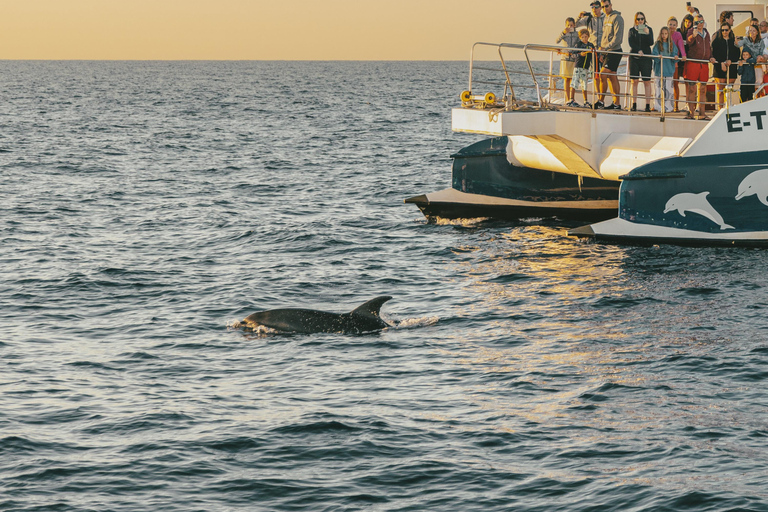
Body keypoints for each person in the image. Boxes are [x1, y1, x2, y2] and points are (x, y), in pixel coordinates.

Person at [595, 0, 624, 109]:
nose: (605, 8)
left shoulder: (617, 18)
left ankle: (601, 102)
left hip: (614, 51)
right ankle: (616, 104)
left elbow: (618, 38)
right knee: (612, 76)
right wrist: (603, 52)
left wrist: (605, 48)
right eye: (603, 7)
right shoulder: (606, 18)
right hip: (607, 52)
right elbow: (604, 36)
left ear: (611, 5)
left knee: (603, 74)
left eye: (606, 6)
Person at [685, 14, 712, 119]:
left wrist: (711, 56)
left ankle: (702, 113)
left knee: (703, 89)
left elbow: (709, 47)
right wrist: (693, 36)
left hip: (704, 63)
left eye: (701, 22)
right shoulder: (691, 31)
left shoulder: (707, 33)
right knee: (692, 88)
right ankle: (691, 113)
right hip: (693, 62)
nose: (699, 24)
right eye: (697, 22)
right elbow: (688, 42)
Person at [628, 12, 654, 111]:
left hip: (646, 58)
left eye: (642, 19)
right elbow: (631, 42)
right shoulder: (632, 30)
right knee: (634, 81)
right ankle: (633, 104)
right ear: (635, 20)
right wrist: (638, 50)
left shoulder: (649, 29)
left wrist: (647, 33)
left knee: (647, 81)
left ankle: (647, 105)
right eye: (638, 19)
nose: (640, 21)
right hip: (635, 58)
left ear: (644, 19)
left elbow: (651, 42)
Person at [711, 23, 740, 109]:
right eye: (722, 30)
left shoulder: (733, 42)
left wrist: (731, 60)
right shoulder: (716, 41)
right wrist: (721, 62)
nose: (724, 32)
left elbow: (737, 54)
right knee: (720, 91)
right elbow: (714, 54)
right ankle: (720, 109)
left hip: (731, 68)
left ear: (730, 30)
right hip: (719, 68)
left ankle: (728, 109)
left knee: (729, 91)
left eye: (726, 30)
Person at [652, 26, 679, 112]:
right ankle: (658, 106)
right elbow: (654, 54)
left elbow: (675, 54)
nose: (664, 35)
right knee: (658, 89)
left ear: (668, 34)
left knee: (668, 90)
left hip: (668, 70)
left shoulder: (672, 44)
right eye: (662, 34)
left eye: (666, 34)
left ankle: (668, 107)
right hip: (659, 70)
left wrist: (675, 57)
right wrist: (658, 57)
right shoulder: (657, 44)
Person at [557, 17, 580, 105]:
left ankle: (572, 98)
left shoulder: (577, 34)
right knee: (566, 79)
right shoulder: (564, 34)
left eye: (571, 25)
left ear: (574, 25)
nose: (570, 27)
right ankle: (567, 99)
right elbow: (557, 41)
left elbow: (579, 44)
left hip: (574, 59)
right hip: (565, 59)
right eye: (568, 25)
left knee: (573, 79)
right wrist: (563, 32)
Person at [571, 28, 596, 107]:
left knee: (584, 84)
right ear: (580, 37)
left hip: (585, 68)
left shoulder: (590, 45)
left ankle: (585, 101)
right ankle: (571, 99)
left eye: (586, 37)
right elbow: (573, 54)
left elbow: (594, 54)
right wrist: (580, 54)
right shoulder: (578, 45)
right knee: (574, 83)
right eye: (583, 37)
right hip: (578, 66)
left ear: (588, 36)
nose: (584, 39)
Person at [668, 17, 688, 111]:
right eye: (670, 24)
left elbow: (681, 46)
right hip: (665, 62)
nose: (672, 26)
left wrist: (683, 55)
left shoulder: (678, 34)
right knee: (664, 84)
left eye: (674, 25)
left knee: (675, 83)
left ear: (676, 26)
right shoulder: (664, 32)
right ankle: (663, 104)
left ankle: (675, 105)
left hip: (674, 62)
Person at [737, 24, 765, 88]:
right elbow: (738, 45)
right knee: (749, 86)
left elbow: (761, 53)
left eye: (754, 31)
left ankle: (758, 97)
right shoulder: (746, 39)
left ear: (757, 32)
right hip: (748, 65)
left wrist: (760, 57)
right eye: (750, 31)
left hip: (757, 64)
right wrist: (736, 41)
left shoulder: (761, 41)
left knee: (759, 85)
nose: (751, 32)